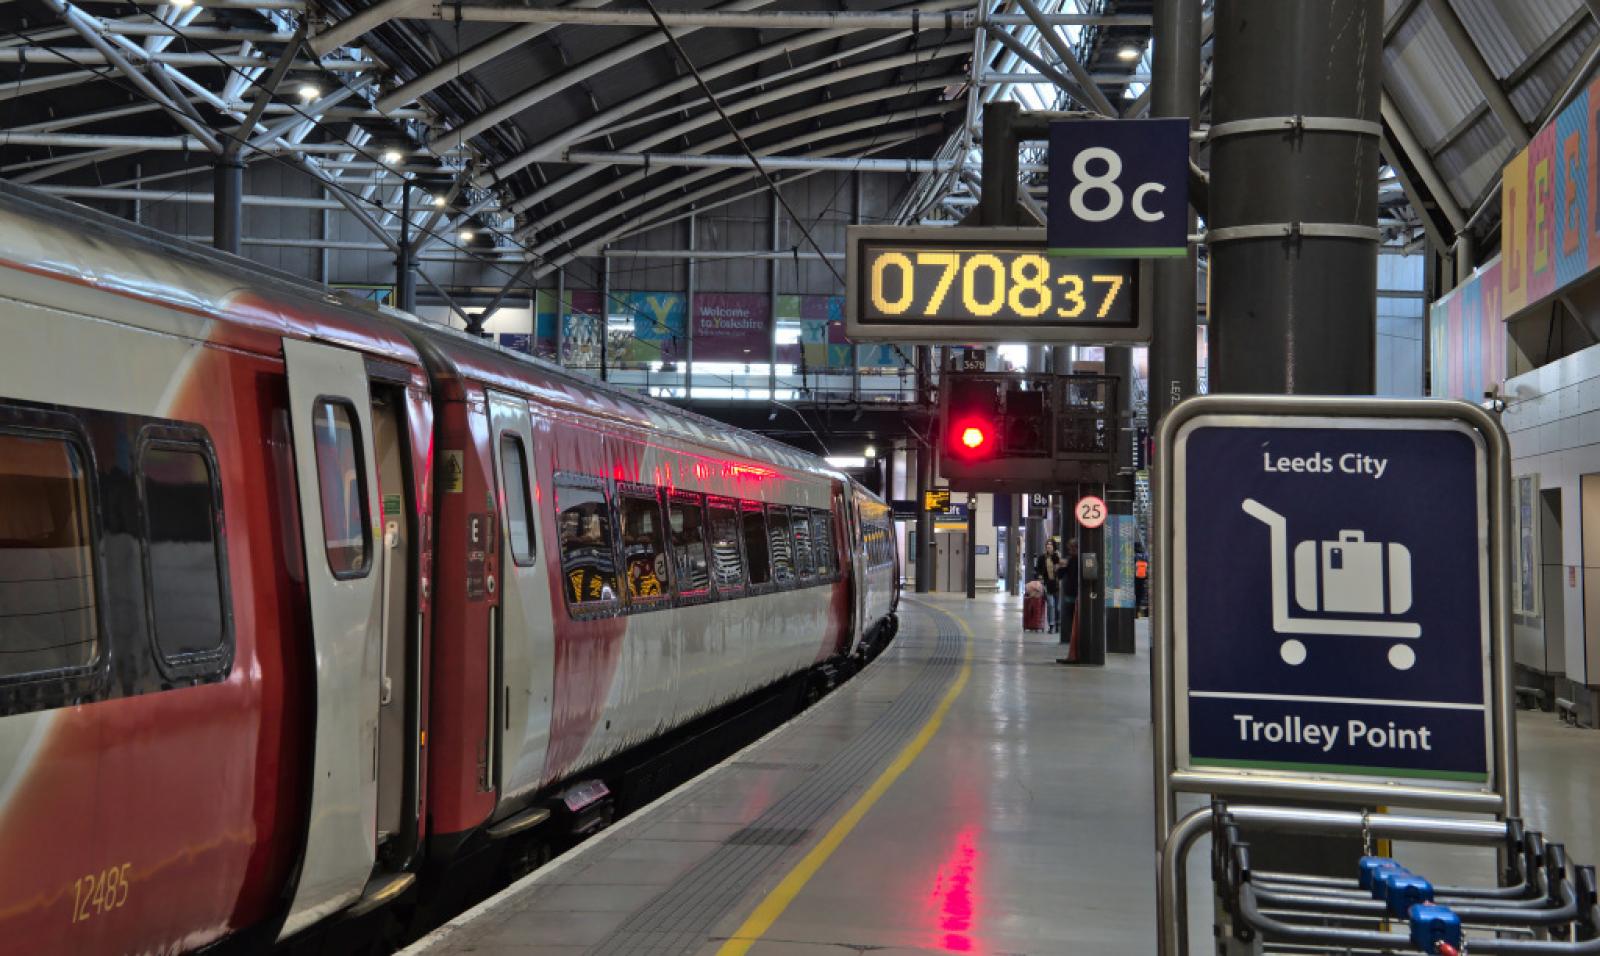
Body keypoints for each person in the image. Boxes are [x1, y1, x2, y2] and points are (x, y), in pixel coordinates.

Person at [1034, 538, 1063, 632]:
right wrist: (1039, 576)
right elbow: (1038, 569)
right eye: (1047, 544)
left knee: (1058, 606)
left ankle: (1058, 624)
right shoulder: (1042, 558)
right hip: (1047, 583)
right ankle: (1051, 625)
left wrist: (1058, 560)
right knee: (1051, 604)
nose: (1048, 546)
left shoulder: (1057, 556)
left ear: (1054, 547)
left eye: (1050, 544)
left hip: (1057, 583)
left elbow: (1061, 569)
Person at [1059, 538, 1080, 641]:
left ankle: (1072, 638)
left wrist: (1061, 566)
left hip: (1072, 593)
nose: (1070, 551)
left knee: (1071, 617)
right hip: (1074, 593)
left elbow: (1060, 575)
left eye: (1072, 549)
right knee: (1074, 617)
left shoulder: (1071, 560)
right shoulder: (1072, 560)